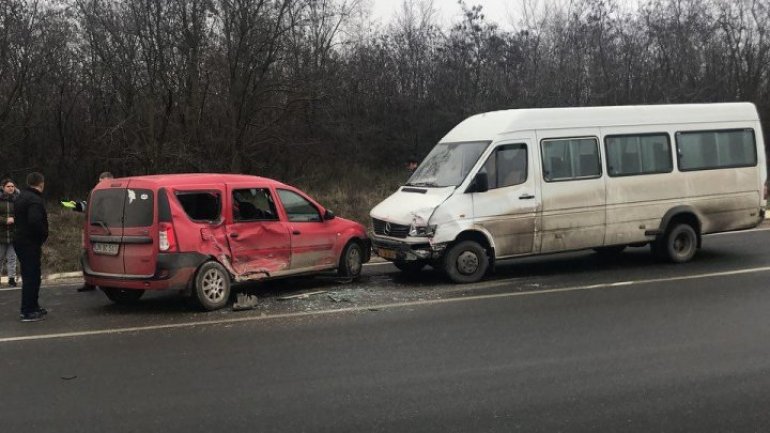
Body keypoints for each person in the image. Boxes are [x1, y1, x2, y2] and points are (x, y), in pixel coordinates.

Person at [61, 171, 114, 292]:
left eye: (103, 182)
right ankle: (90, 282)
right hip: (95, 228)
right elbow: (89, 205)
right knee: (87, 255)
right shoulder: (96, 193)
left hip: (111, 229)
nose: (100, 185)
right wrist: (76, 206)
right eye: (99, 182)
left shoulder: (118, 195)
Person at [14, 172, 48, 322]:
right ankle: (27, 310)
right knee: (31, 277)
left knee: (32, 275)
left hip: (21, 240)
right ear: (41, 183)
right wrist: (43, 234)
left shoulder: (21, 196)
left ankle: (33, 306)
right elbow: (35, 221)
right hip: (29, 242)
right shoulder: (35, 200)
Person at [0, 178, 19, 287]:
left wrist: (14, 219)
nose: (11, 188)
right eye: (8, 186)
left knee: (12, 258)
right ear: (3, 187)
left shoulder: (18, 199)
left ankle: (12, 279)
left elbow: (22, 213)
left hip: (13, 233)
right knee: (0, 257)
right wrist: (5, 220)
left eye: (12, 186)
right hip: (1, 234)